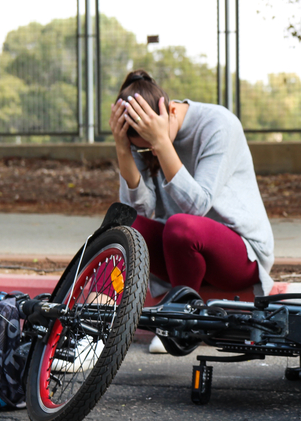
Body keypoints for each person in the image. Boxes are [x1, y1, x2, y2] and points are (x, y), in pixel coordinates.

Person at [109, 70, 274, 353]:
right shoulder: (141, 139)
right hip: (180, 255)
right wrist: (124, 152)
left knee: (181, 226)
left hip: (237, 255)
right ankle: (100, 321)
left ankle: (181, 320)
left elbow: (198, 206)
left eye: (151, 145)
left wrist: (161, 144)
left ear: (171, 111)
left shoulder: (218, 125)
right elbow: (141, 210)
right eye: (143, 149)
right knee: (124, 227)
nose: (148, 152)